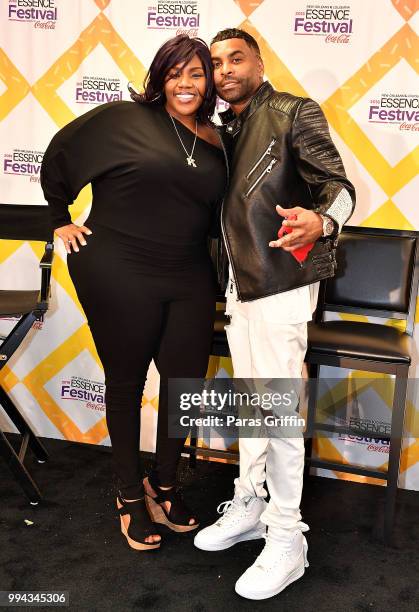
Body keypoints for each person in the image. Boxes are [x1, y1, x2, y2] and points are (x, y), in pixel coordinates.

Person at [40, 35, 227, 551]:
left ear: (209, 82)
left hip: (188, 271)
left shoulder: (216, 137)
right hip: (118, 267)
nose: (185, 84)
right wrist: (60, 219)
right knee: (125, 381)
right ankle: (127, 495)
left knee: (185, 383)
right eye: (174, 74)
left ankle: (164, 484)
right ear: (159, 79)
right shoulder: (124, 118)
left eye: (196, 74)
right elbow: (59, 156)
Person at [194, 29, 356, 599]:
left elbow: (339, 186)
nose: (223, 70)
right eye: (214, 62)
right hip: (240, 287)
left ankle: (289, 536)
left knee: (280, 410)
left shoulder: (292, 111)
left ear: (259, 63)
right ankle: (251, 503)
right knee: (253, 404)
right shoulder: (219, 128)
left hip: (281, 281)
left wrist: (323, 220)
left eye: (235, 58)